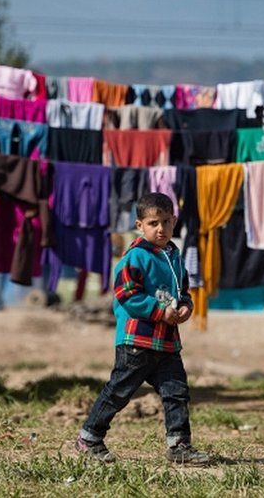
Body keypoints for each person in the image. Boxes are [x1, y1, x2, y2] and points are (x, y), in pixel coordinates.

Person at [75, 192, 210, 464]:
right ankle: (89, 438)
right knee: (119, 391)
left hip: (167, 343)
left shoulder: (174, 256)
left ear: (174, 221)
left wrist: (186, 306)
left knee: (176, 392)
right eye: (153, 223)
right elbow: (127, 294)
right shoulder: (135, 257)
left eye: (166, 222)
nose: (161, 229)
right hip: (137, 342)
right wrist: (161, 311)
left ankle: (179, 445)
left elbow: (183, 291)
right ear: (140, 225)